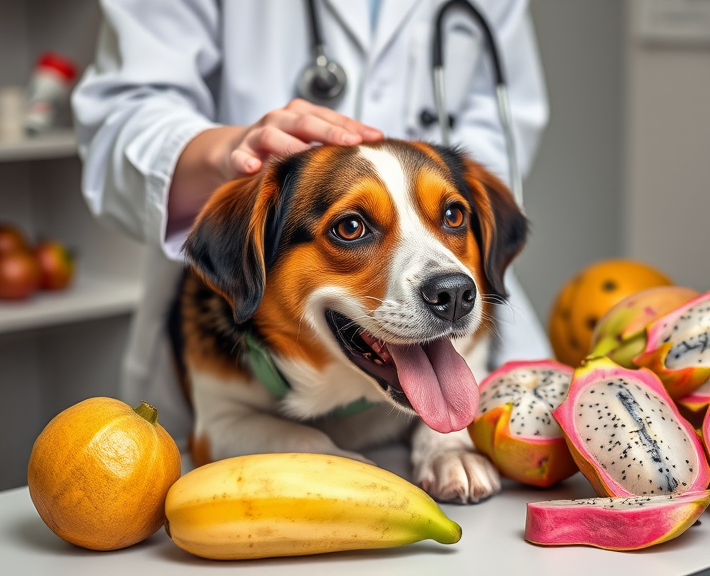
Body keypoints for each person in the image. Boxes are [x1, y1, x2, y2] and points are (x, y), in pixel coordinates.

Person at [72, 0, 552, 446]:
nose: (452, 284)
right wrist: (227, 152)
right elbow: (124, 113)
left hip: (480, 390)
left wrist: (443, 445)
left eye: (450, 215)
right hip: (242, 378)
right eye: (350, 228)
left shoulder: (461, 273)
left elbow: (499, 127)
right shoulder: (246, 250)